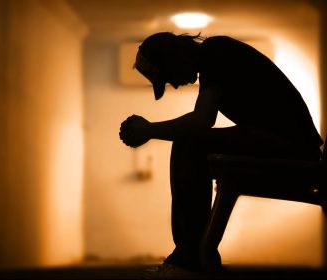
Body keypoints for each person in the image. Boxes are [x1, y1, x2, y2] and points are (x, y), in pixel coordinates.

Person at [119, 32, 323, 279]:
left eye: (167, 77)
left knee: (190, 142)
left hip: (294, 147)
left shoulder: (215, 51)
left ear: (173, 58)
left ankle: (189, 258)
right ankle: (192, 254)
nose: (173, 85)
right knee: (191, 141)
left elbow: (201, 120)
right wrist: (149, 131)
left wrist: (148, 130)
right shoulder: (213, 55)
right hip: (288, 143)